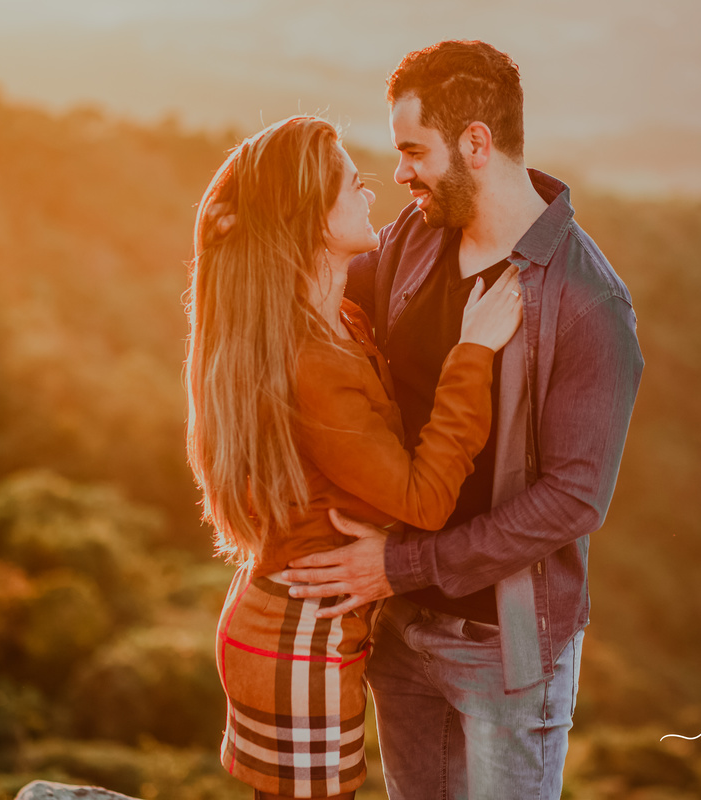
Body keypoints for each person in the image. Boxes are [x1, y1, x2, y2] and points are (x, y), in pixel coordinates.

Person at [279, 41, 645, 799]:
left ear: (476, 143)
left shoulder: (588, 303)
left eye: (414, 151)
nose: (399, 173)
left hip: (503, 650)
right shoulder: (414, 237)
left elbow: (573, 501)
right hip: (395, 624)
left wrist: (401, 564)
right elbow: (314, 301)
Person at [185, 115, 523, 799]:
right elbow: (425, 498)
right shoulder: (313, 360)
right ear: (313, 219)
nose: (370, 193)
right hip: (297, 643)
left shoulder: (338, 319)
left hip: (295, 623)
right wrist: (474, 352)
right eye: (351, 185)